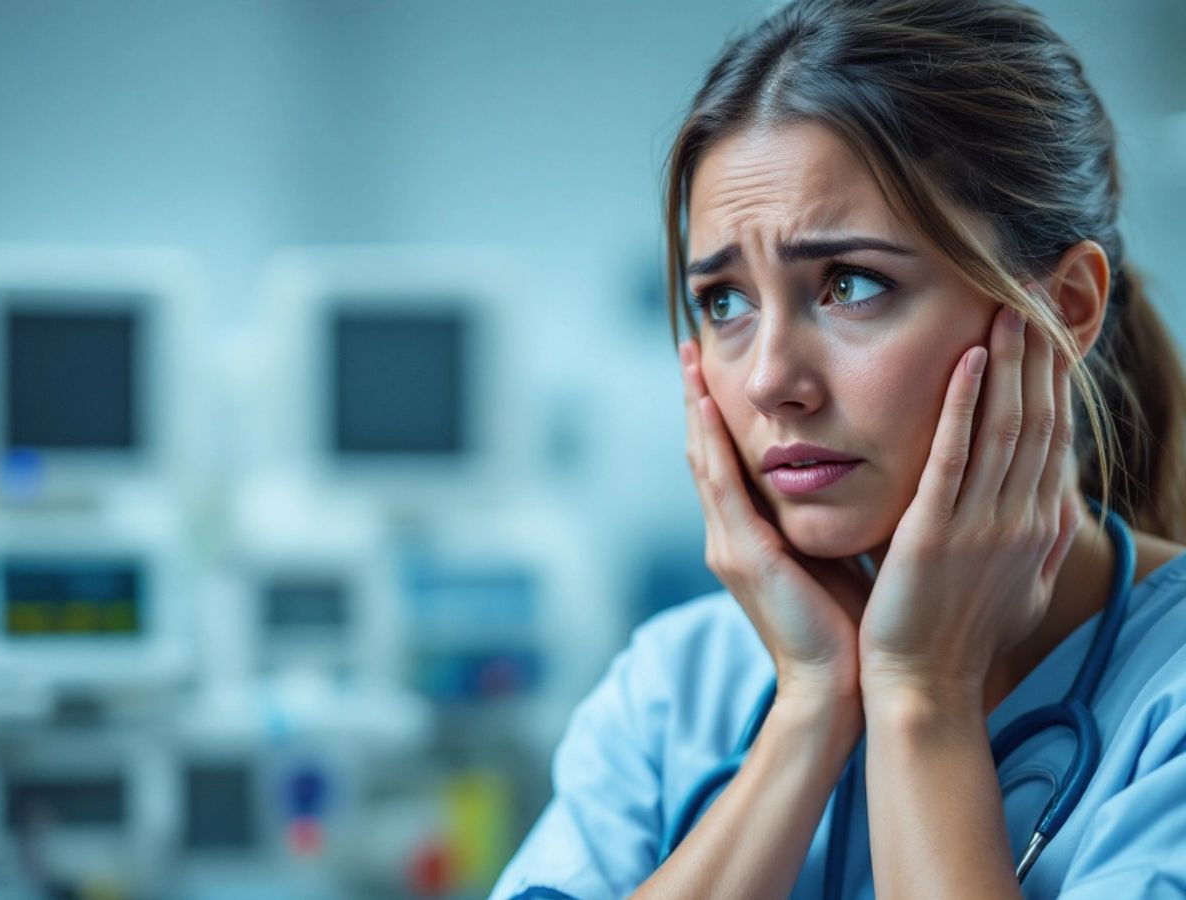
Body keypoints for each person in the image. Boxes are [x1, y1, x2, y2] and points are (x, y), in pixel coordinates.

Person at [489, 0, 1186, 896]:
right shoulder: (677, 687)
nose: (770, 379)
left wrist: (921, 695)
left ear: (1069, 309)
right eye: (725, 303)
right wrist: (811, 709)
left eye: (850, 284)